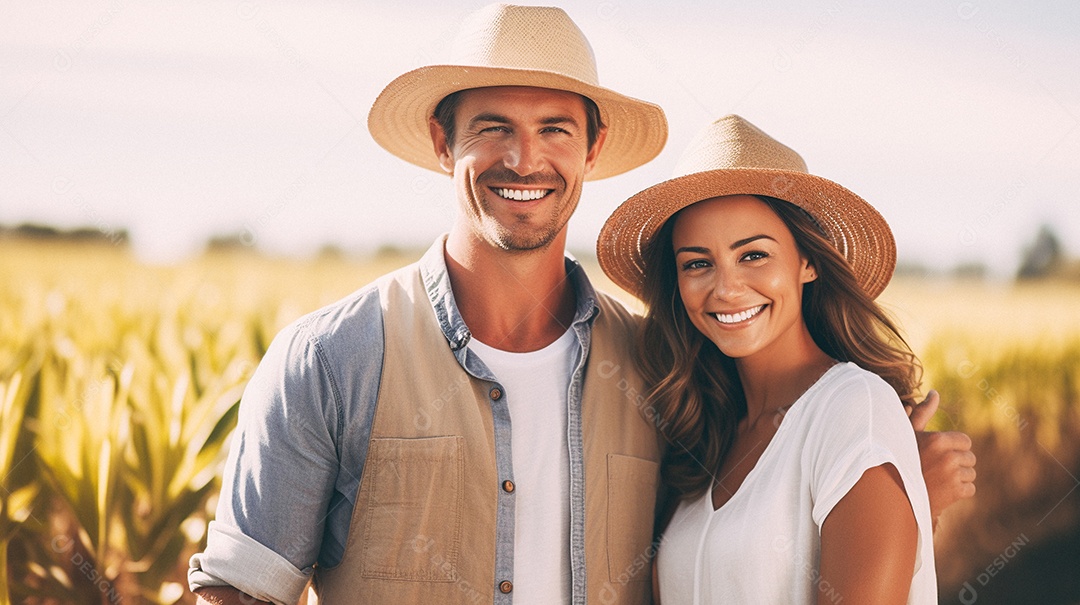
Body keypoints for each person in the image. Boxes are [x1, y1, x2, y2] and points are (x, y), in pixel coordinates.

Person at [190, 5, 973, 605]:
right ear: (441, 141)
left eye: (554, 129)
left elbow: (769, 522)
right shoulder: (332, 359)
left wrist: (896, 497)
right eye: (492, 126)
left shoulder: (657, 366)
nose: (524, 158)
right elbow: (237, 590)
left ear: (592, 148)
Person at [597, 114, 948, 603]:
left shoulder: (853, 409)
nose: (726, 288)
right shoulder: (705, 432)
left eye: (753, 255)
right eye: (697, 263)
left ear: (807, 262)